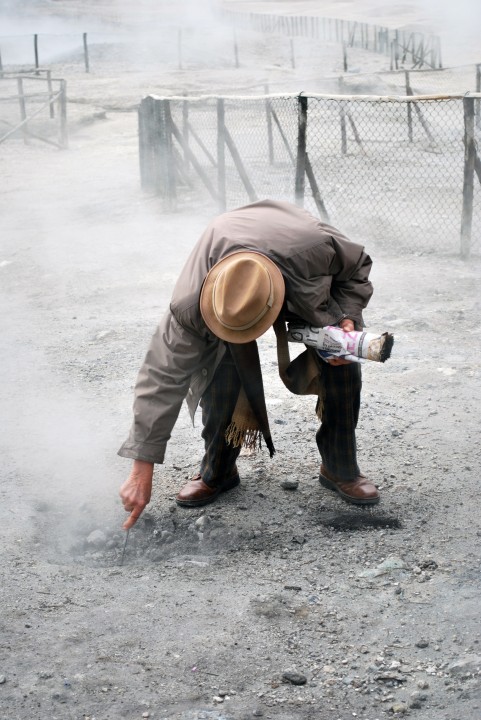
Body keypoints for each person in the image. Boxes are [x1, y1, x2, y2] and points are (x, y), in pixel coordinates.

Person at [118, 199, 379, 530]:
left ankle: (340, 467)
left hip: (298, 272)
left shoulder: (314, 249)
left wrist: (347, 317)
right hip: (238, 272)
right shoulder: (192, 303)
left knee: (341, 357)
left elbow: (356, 268)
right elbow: (161, 377)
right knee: (221, 367)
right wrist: (141, 469)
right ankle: (218, 469)